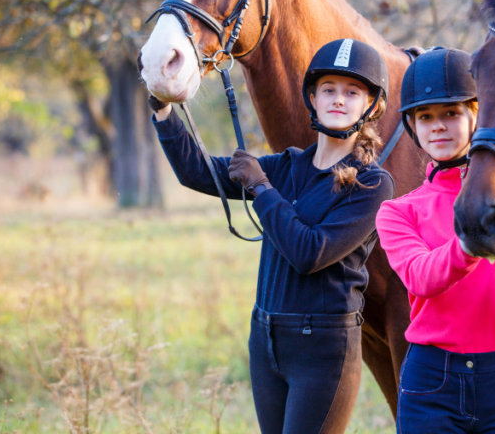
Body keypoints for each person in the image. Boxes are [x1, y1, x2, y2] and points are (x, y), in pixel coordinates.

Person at [149, 38, 394, 434]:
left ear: (371, 105)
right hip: (265, 338)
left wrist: (261, 188)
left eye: (352, 92)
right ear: (312, 99)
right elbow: (197, 171)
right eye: (328, 89)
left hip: (323, 349)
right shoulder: (286, 165)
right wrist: (162, 110)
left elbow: (310, 252)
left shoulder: (372, 184)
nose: (338, 99)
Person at [375, 48, 495, 433]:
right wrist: (471, 240)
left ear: (476, 116)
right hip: (431, 382)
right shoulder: (397, 212)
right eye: (425, 117)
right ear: (412, 127)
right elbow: (421, 278)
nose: (438, 127)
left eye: (451, 113)